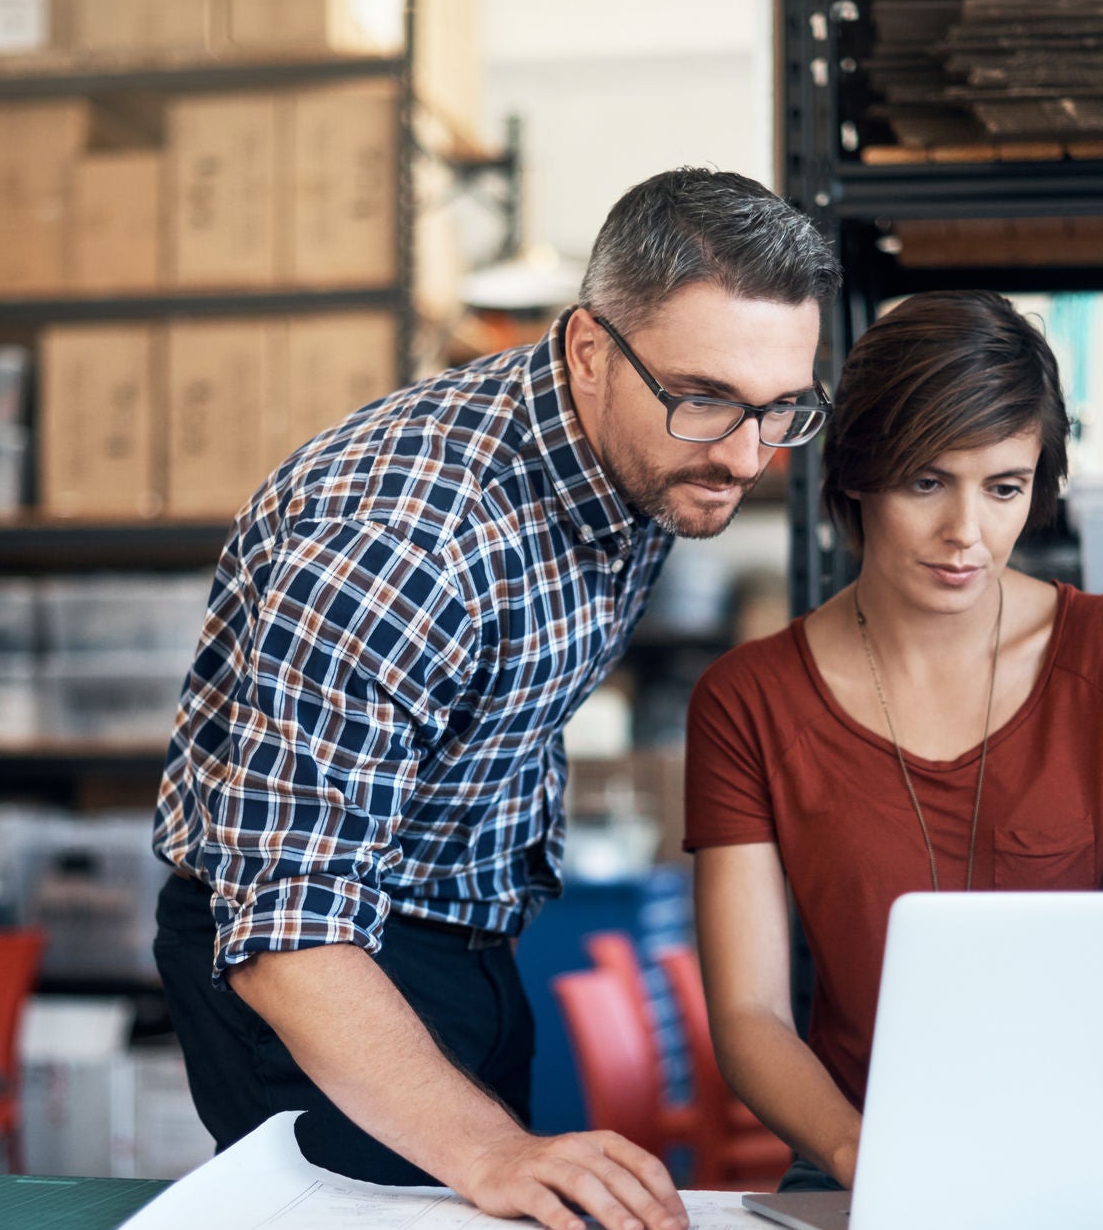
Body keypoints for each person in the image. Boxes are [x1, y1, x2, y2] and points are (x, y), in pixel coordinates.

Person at [153, 167, 842, 1230]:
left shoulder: (647, 450)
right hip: (318, 960)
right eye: (705, 400)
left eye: (778, 409)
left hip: (469, 929)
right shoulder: (403, 542)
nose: (746, 456)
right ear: (585, 351)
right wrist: (486, 1148)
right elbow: (286, 921)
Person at [683, 290, 1103, 1196]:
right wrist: (857, 1153)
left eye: (1004, 488)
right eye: (925, 481)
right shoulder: (747, 701)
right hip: (860, 1160)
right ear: (858, 474)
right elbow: (751, 1014)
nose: (966, 535)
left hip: (1101, 1155)